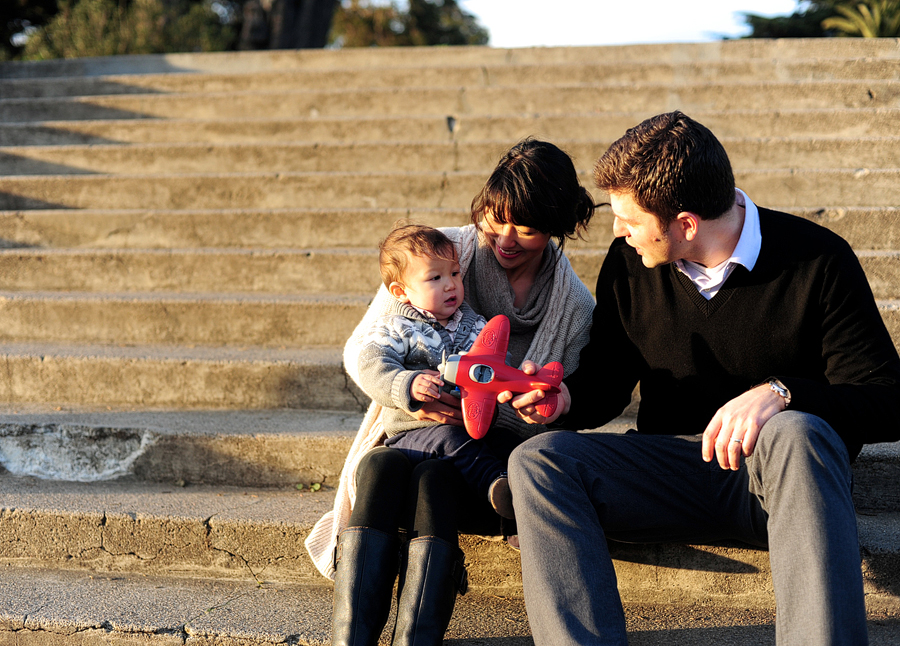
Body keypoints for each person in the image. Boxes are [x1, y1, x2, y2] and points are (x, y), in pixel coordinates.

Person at [503, 111, 900, 646]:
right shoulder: (630, 263)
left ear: (685, 224)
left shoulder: (818, 259)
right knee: (538, 460)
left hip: (780, 483)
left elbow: (888, 399)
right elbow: (607, 381)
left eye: (629, 218)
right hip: (670, 472)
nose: (617, 230)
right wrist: (563, 398)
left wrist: (782, 394)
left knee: (796, 432)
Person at [304, 138, 597, 646]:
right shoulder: (438, 252)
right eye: (495, 217)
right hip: (411, 433)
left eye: (525, 228)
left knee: (435, 481)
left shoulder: (574, 307)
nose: (504, 238)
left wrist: (535, 403)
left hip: (496, 458)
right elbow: (364, 349)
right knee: (378, 465)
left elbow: (569, 404)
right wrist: (410, 392)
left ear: (557, 226)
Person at [358, 223, 516, 518]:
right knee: (451, 440)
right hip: (413, 431)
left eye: (455, 273)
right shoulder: (395, 327)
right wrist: (407, 383)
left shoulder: (476, 326)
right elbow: (371, 366)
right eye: (435, 277)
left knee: (506, 443)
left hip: (470, 423)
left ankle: (514, 521)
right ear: (401, 291)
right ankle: (495, 483)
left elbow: (496, 365)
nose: (450, 284)